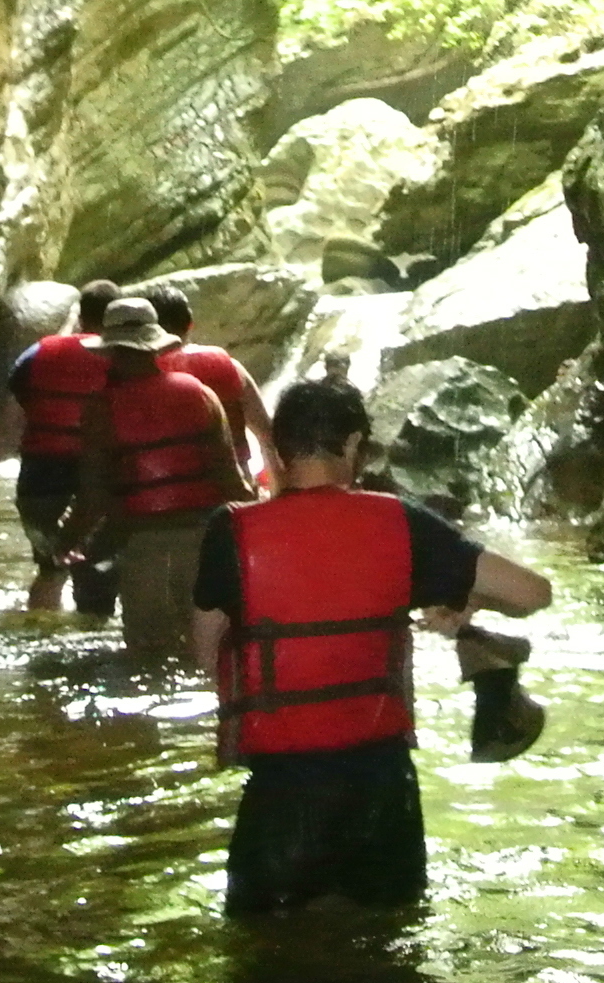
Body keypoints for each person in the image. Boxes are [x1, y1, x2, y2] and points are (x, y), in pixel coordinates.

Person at [191, 378, 551, 918]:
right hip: (380, 793)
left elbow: (206, 655)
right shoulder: (401, 521)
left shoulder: (230, 531)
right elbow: (532, 593)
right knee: (390, 962)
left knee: (265, 974)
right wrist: (465, 601)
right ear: (354, 444)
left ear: (281, 447)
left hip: (281, 797)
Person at [66, 296, 252, 655]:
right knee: (208, 652)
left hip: (143, 548)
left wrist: (64, 542)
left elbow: (93, 498)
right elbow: (233, 484)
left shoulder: (99, 409)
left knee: (149, 657)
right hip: (204, 546)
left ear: (111, 351)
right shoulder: (202, 394)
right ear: (154, 346)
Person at [0, 278, 119, 614]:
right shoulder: (125, 360)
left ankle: (41, 638)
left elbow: (3, 433)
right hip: (97, 486)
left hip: (39, 485)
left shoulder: (36, 356)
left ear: (81, 316)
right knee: (97, 579)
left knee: (50, 570)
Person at [145, 282, 280, 491]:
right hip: (234, 490)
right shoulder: (231, 367)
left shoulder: (141, 375)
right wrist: (276, 494)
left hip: (168, 492)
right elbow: (266, 435)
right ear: (190, 323)